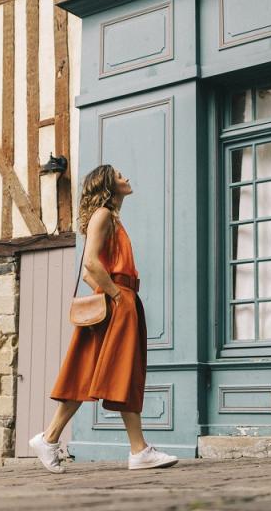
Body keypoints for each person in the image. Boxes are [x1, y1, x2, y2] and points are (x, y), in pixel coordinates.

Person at [28, 164, 178, 473]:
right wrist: (117, 295)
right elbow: (91, 264)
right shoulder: (104, 216)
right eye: (121, 175)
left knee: (86, 373)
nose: (127, 177)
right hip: (118, 300)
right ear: (108, 185)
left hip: (112, 301)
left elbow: (89, 271)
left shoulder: (109, 218)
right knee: (124, 372)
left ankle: (50, 438)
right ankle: (139, 451)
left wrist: (109, 293)